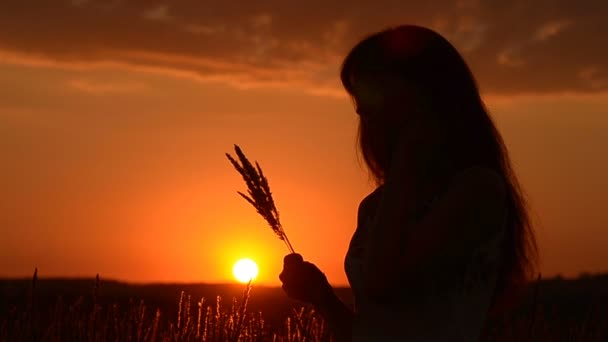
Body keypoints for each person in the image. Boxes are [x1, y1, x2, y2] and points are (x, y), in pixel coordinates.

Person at [279, 25, 539, 341]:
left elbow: (382, 281)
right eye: (363, 111)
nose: (368, 125)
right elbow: (373, 332)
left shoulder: (476, 191)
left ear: (426, 101)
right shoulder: (377, 206)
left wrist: (407, 162)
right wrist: (322, 297)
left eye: (376, 107)